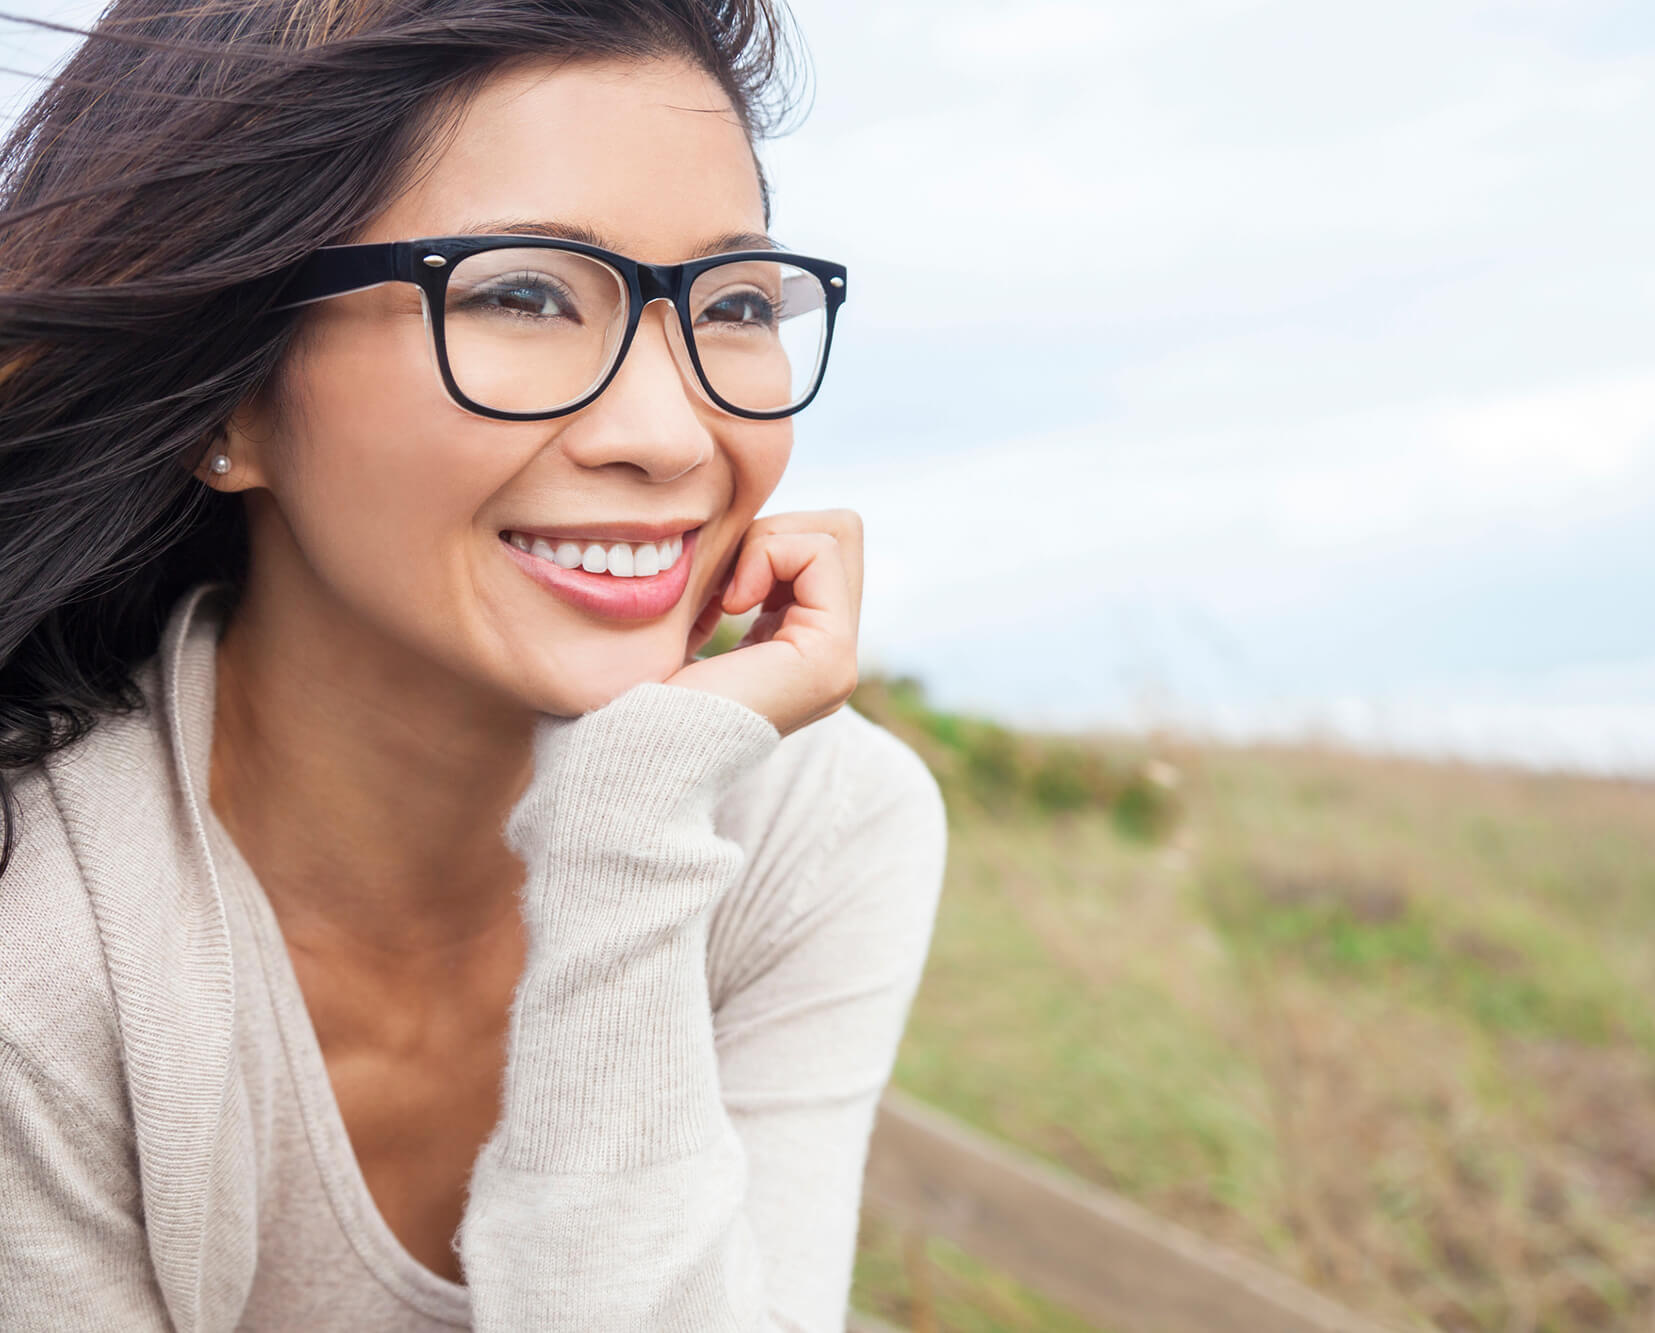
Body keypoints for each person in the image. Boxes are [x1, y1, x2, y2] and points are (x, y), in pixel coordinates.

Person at [0, 0, 948, 1328]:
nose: (672, 434)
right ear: (229, 399)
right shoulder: (44, 940)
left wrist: (629, 827)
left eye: (731, 304)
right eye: (521, 293)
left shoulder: (811, 823)